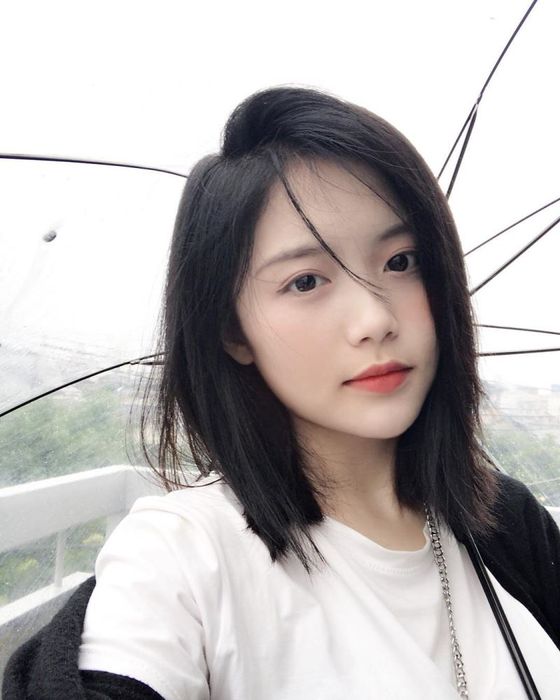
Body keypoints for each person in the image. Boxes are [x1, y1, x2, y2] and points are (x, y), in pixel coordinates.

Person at [4, 87, 560, 700]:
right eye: (306, 281)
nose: (375, 319)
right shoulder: (184, 557)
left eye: (401, 262)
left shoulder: (504, 521)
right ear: (232, 331)